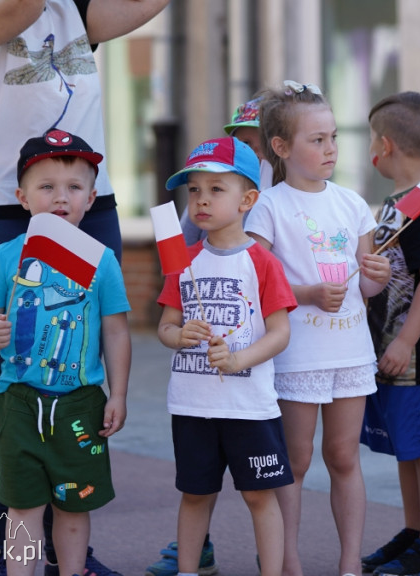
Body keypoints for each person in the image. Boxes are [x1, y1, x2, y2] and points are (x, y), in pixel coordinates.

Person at [0, 2, 168, 574]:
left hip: (89, 211)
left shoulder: (78, 11)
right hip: (6, 208)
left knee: (79, 373)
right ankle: (6, 554)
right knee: (3, 380)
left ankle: (68, 552)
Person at [244, 80, 391, 576]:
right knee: (297, 460)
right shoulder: (268, 206)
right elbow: (257, 281)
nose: (329, 148)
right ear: (282, 148)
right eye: (317, 139)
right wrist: (305, 294)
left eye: (333, 138)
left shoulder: (351, 204)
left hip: (350, 348)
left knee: (345, 457)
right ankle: (289, 563)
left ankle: (350, 564)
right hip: (298, 352)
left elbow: (364, 288)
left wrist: (379, 278)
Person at [0, 131, 131, 576]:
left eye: (74, 188)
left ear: (91, 197)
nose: (61, 198)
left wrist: (118, 394)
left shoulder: (101, 261)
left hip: (80, 402)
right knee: (22, 507)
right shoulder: (6, 257)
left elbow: (116, 332)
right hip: (18, 400)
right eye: (47, 187)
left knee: (74, 508)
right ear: (22, 197)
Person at [156, 136, 297, 576]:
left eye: (217, 189)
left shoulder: (263, 263)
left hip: (248, 407)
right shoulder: (182, 262)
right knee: (196, 494)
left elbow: (280, 333)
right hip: (192, 404)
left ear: (247, 200)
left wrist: (239, 360)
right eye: (194, 190)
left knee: (259, 495)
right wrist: (178, 336)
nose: (201, 200)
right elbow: (164, 326)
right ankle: (187, 570)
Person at [359, 92, 420, 576]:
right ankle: (416, 531)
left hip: (419, 355)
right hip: (394, 352)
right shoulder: (399, 204)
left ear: (384, 144)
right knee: (405, 446)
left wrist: (403, 341)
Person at [178, 95, 273, 246]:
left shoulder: (282, 198)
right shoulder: (206, 195)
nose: (255, 152)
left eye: (265, 144)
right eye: (246, 143)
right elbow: (183, 247)